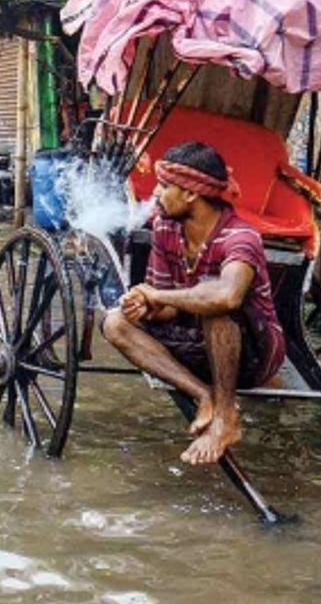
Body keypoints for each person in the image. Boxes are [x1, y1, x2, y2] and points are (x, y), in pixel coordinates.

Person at [100, 141, 285, 465]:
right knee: (114, 323)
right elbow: (169, 304)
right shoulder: (165, 227)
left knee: (217, 309)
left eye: (164, 186)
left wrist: (157, 295)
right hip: (196, 345)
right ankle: (205, 395)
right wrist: (149, 307)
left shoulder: (241, 237)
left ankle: (226, 417)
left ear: (190, 194)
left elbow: (227, 297)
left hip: (252, 353)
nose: (156, 193)